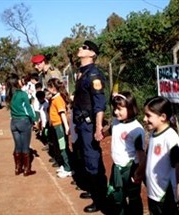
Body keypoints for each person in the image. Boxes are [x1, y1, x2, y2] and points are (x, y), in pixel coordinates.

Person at [72, 40, 108, 213]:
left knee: (92, 158)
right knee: (85, 157)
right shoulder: (82, 73)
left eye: (84, 48)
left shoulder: (93, 75)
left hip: (89, 124)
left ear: (92, 54)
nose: (80, 49)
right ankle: (93, 190)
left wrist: (98, 127)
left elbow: (99, 104)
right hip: (80, 122)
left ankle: (100, 199)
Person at [143, 96, 179, 215]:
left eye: (148, 115)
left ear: (162, 117)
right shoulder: (153, 133)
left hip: (165, 195)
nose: (144, 119)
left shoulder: (170, 138)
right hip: (153, 192)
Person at [106, 92, 146, 215]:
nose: (116, 112)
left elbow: (141, 154)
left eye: (120, 109)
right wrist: (100, 133)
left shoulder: (137, 129)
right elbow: (110, 131)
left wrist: (139, 172)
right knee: (117, 196)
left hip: (130, 169)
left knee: (133, 197)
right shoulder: (116, 122)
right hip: (117, 168)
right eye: (115, 109)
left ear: (130, 107)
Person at [5, 73, 37, 176]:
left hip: (13, 122)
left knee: (17, 145)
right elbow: (28, 108)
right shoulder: (22, 94)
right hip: (24, 121)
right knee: (25, 146)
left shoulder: (9, 95)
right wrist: (34, 119)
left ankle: (18, 168)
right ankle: (27, 169)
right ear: (15, 82)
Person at [47, 78, 73, 178]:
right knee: (61, 146)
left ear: (53, 88)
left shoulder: (58, 99)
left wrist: (66, 127)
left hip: (60, 127)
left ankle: (68, 168)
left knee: (63, 147)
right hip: (56, 126)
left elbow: (62, 114)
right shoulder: (54, 98)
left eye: (49, 87)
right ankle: (65, 165)